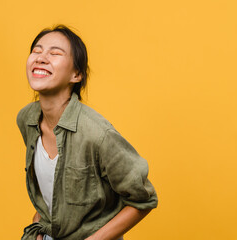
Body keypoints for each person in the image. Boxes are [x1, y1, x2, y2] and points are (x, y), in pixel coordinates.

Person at [16, 25, 158, 240]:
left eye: (55, 53)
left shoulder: (97, 134)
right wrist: (38, 226)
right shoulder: (26, 119)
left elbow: (143, 200)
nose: (41, 57)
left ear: (77, 74)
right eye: (36, 50)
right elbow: (51, 189)